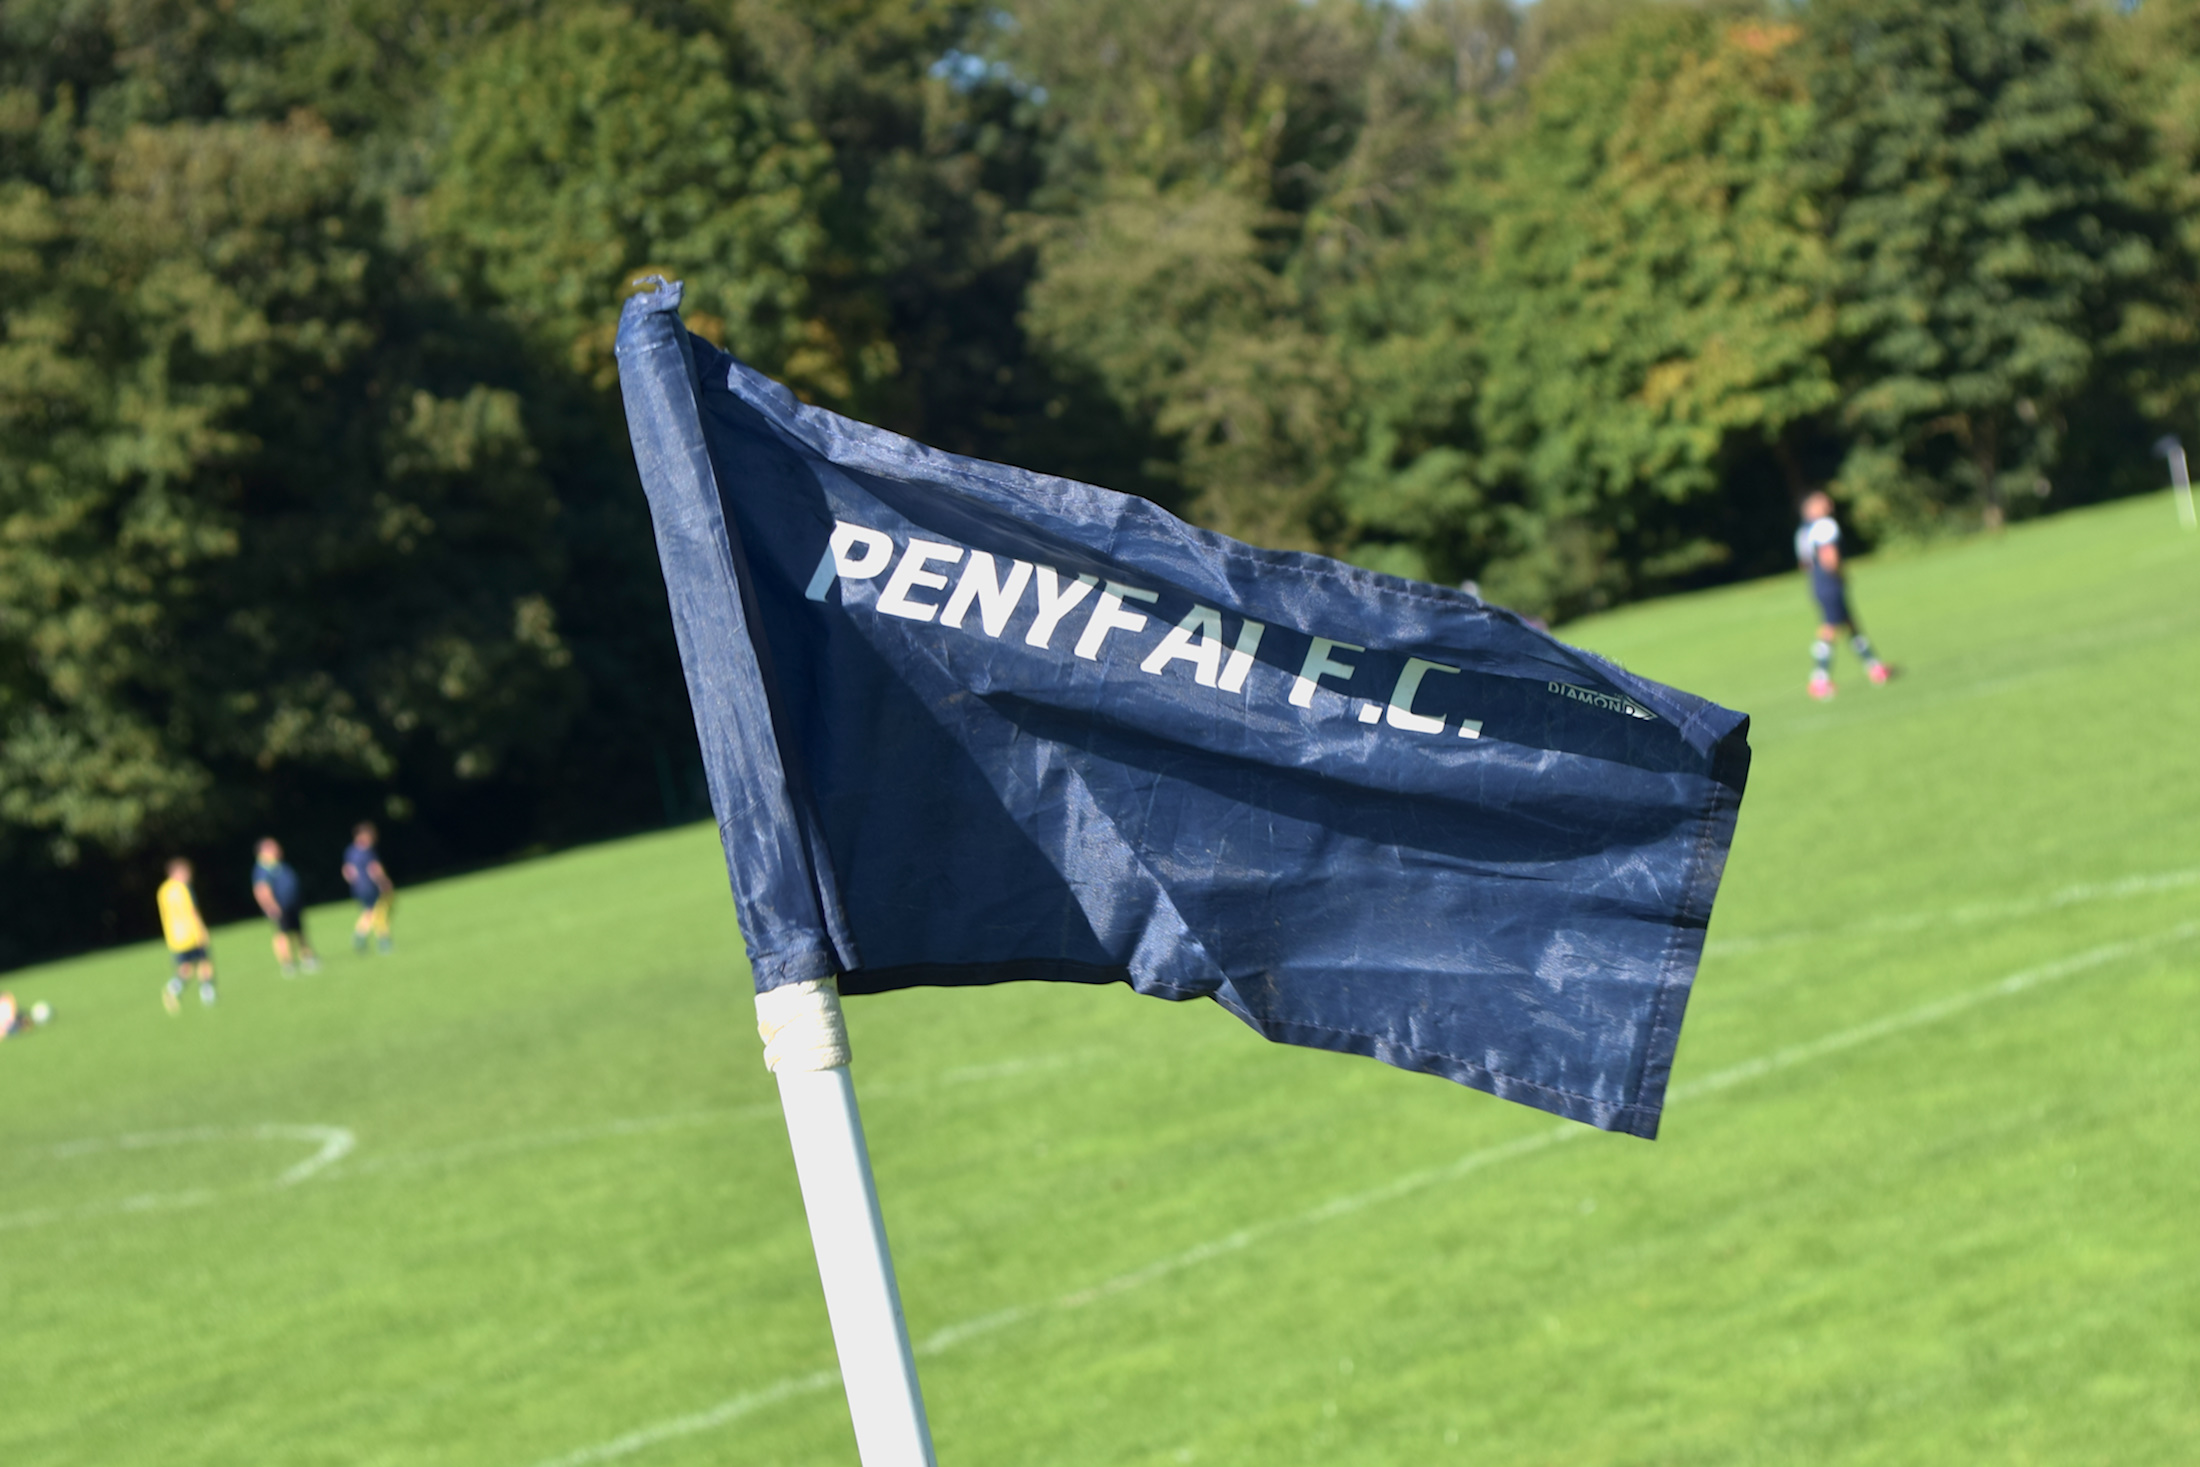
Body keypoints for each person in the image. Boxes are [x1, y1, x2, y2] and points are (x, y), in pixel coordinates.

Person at [1795, 490, 1890, 700]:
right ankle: (1819, 679)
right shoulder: (1824, 526)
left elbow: (1804, 563)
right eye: (1822, 501)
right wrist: (1840, 575)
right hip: (1829, 582)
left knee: (1850, 624)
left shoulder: (1803, 531)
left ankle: (1874, 667)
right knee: (1829, 628)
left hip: (1817, 582)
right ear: (1811, 507)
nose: (1828, 503)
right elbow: (1829, 557)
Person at [156, 857, 218, 1012]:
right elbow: (191, 911)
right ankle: (208, 993)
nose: (189, 875)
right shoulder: (183, 888)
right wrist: (202, 930)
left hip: (174, 937)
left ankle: (172, 989)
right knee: (205, 962)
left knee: (186, 967)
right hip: (191, 933)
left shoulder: (163, 890)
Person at [251, 838, 319, 977]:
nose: (277, 849)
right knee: (282, 934)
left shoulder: (278, 864)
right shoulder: (262, 868)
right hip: (279, 907)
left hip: (292, 905)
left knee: (299, 932)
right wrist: (271, 906)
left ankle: (307, 958)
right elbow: (261, 889)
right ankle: (287, 964)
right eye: (273, 847)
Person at [342, 823, 396, 954]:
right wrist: (384, 882)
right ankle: (383, 941)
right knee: (380, 912)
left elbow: (346, 871)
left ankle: (360, 936)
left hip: (358, 888)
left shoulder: (350, 851)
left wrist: (355, 882)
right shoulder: (367, 851)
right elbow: (374, 868)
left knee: (369, 912)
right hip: (371, 886)